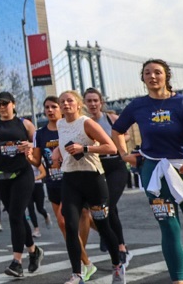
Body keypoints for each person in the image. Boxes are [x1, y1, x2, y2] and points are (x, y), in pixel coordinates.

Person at [112, 59, 183, 284]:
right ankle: (178, 281)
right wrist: (124, 154)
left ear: (167, 76)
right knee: (169, 226)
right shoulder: (137, 105)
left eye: (157, 72)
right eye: (147, 73)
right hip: (154, 170)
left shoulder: (182, 102)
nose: (152, 76)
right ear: (142, 78)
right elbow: (117, 130)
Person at [53, 91, 124, 284]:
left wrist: (84, 149)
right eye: (62, 102)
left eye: (69, 101)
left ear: (77, 104)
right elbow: (64, 142)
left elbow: (111, 148)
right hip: (70, 179)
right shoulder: (60, 124)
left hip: (93, 179)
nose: (65, 104)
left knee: (103, 226)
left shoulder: (87, 123)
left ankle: (117, 265)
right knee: (70, 225)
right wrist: (56, 152)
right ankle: (77, 273)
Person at [0, 91, 44, 278]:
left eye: (5, 103)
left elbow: (39, 144)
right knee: (19, 218)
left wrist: (30, 147)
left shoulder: (24, 124)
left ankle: (17, 262)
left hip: (22, 175)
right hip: (1, 178)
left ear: (13, 104)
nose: (2, 107)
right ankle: (33, 251)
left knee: (15, 216)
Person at [32, 96, 97, 280]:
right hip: (53, 183)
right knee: (69, 225)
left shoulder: (69, 127)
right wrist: (28, 155)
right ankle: (89, 258)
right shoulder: (40, 133)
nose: (50, 110)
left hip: (73, 179)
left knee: (66, 220)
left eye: (54, 106)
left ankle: (84, 263)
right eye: (47, 107)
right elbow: (37, 161)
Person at [83, 88, 131, 265]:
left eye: (96, 100)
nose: (93, 104)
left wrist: (114, 141)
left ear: (101, 102)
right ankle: (113, 239)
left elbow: (126, 135)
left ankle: (119, 245)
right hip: (97, 166)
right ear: (85, 104)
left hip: (116, 165)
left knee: (107, 205)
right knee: (107, 207)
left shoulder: (111, 118)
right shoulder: (84, 122)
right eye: (89, 101)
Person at [26, 161, 51, 237]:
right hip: (27, 187)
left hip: (37, 186)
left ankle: (46, 215)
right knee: (30, 208)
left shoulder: (35, 161)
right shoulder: (22, 162)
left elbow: (43, 173)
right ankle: (36, 229)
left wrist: (35, 178)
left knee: (40, 208)